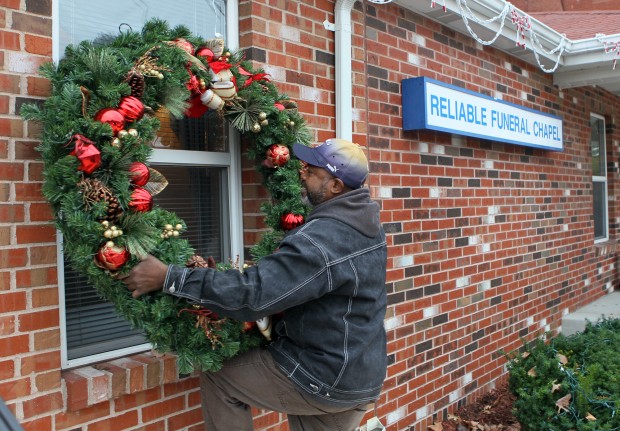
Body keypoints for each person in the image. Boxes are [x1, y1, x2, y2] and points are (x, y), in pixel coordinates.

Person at [121, 138, 388, 431]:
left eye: (311, 171)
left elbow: (253, 294)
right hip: (361, 374)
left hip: (321, 375)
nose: (302, 173)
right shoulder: (366, 224)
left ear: (336, 186)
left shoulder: (321, 240)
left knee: (220, 377)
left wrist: (170, 277)